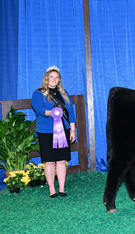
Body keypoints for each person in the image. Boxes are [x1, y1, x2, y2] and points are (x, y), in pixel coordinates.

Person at [31, 65, 76, 198]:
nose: (54, 79)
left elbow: (71, 113)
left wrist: (72, 130)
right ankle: (52, 189)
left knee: (61, 160)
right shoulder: (38, 93)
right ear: (46, 78)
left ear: (59, 80)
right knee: (49, 161)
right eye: (52, 77)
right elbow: (38, 108)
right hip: (46, 131)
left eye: (57, 77)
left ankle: (61, 188)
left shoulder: (63, 93)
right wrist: (50, 112)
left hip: (63, 130)